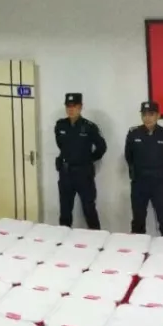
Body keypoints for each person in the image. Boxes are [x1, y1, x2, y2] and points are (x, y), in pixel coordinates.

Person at [124, 101, 163, 236]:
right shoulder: (133, 133)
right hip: (140, 182)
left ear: (158, 116)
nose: (147, 118)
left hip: (160, 183)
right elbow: (128, 156)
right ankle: (137, 247)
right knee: (138, 220)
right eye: (144, 115)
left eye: (151, 114)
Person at [54, 93, 107, 229]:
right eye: (68, 106)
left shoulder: (89, 127)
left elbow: (102, 147)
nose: (71, 109)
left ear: (80, 107)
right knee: (65, 211)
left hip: (83, 173)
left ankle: (97, 238)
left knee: (89, 209)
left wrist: (88, 159)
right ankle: (63, 238)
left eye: (74, 106)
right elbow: (61, 145)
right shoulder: (60, 125)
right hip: (66, 173)